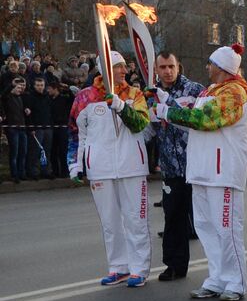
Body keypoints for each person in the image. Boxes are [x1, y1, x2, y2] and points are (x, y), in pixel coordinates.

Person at [152, 43, 247, 301]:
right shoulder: (209, 91)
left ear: (221, 66)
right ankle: (217, 278)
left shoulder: (235, 93)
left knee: (227, 228)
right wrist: (169, 106)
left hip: (223, 172)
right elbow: (192, 122)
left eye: (210, 63)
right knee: (205, 226)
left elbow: (206, 120)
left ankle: (236, 282)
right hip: (202, 170)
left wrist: (168, 111)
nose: (207, 67)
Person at [67, 51, 153, 286]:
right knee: (110, 222)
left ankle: (139, 269)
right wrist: (75, 162)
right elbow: (76, 134)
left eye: (125, 66)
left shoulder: (135, 94)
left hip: (132, 166)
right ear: (104, 70)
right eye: (118, 67)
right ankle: (119, 267)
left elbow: (141, 125)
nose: (124, 71)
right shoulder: (84, 98)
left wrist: (120, 106)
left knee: (136, 220)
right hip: (100, 168)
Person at [148, 52, 205, 281]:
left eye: (171, 66)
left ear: (178, 66)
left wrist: (168, 103)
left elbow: (197, 119)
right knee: (173, 218)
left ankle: (220, 271)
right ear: (156, 69)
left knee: (204, 220)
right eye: (162, 67)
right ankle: (174, 266)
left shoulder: (194, 90)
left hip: (197, 165)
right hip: (171, 168)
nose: (167, 71)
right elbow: (149, 128)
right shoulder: (151, 95)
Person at [24, 74, 53, 179]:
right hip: (36, 129)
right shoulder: (30, 97)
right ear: (34, 85)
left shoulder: (47, 97)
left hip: (48, 127)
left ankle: (46, 171)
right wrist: (31, 128)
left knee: (47, 150)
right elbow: (28, 114)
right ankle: (34, 172)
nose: (40, 87)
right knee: (35, 151)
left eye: (42, 85)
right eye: (38, 85)